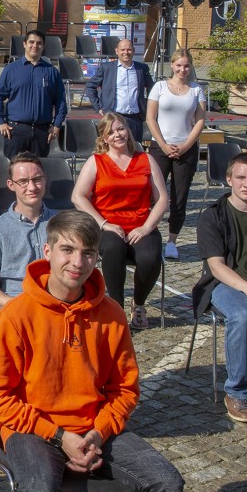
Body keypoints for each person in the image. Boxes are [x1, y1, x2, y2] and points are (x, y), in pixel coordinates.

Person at [0, 209, 182, 492]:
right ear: (47, 251)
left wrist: (96, 432)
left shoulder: (110, 313)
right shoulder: (17, 314)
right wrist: (59, 436)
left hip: (94, 428)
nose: (77, 262)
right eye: (67, 250)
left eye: (88, 253)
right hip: (32, 427)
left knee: (166, 483)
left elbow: (125, 389)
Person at [190, 152, 247, 424]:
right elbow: (217, 267)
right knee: (243, 316)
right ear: (229, 179)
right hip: (225, 284)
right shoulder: (212, 216)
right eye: (241, 177)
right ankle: (237, 391)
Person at [72, 112, 168, 330]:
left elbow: (162, 199)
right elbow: (77, 196)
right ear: (104, 138)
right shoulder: (96, 161)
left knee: (150, 256)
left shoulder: (146, 159)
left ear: (128, 130)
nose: (118, 135)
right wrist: (103, 223)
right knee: (114, 248)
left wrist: (146, 228)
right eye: (111, 132)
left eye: (121, 129)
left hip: (141, 224)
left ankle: (139, 303)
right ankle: (116, 307)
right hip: (108, 224)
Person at [0, 152, 57, 309]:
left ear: (45, 180)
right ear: (11, 185)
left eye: (37, 180)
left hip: (58, 305)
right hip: (16, 308)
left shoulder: (62, 224)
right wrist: (19, 307)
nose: (32, 187)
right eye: (23, 182)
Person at [145, 48, 206, 260]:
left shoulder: (197, 89)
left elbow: (200, 120)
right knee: (152, 194)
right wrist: (162, 145)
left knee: (180, 197)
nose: (182, 69)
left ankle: (172, 241)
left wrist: (187, 145)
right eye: (179, 65)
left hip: (186, 150)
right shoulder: (159, 87)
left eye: (186, 65)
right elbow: (151, 118)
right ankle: (148, 235)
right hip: (160, 148)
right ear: (171, 65)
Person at [0, 29, 67, 159]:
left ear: (43, 46)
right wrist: (0, 121)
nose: (35, 46)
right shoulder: (11, 70)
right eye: (31, 42)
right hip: (15, 132)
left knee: (37, 174)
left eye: (39, 43)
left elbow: (60, 101)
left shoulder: (52, 72)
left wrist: (56, 125)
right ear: (24, 44)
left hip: (42, 132)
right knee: (14, 172)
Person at [85, 39, 153, 142]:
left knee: (134, 152)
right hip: (113, 118)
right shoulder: (107, 68)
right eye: (123, 49)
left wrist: (148, 107)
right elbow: (90, 86)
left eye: (129, 49)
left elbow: (152, 89)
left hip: (135, 119)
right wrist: (98, 107)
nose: (126, 52)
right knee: (112, 151)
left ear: (133, 51)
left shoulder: (142, 69)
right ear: (117, 51)